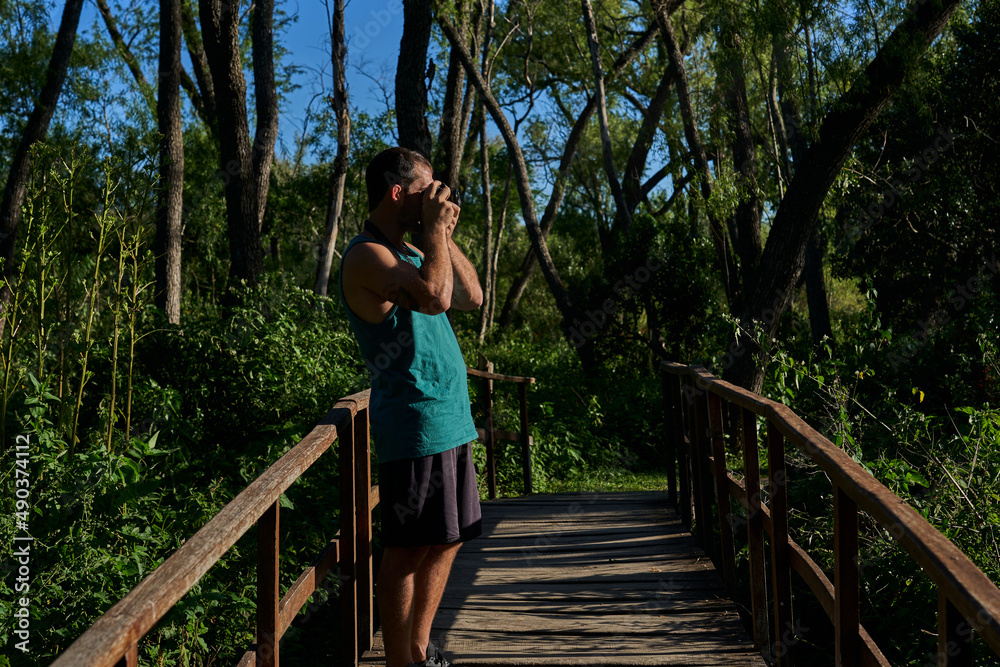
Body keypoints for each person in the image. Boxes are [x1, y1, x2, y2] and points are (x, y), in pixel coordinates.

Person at [338, 146, 484, 667]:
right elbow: (434, 299)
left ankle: (420, 648)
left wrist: (440, 231)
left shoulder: (417, 250)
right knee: (405, 548)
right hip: (415, 421)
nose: (435, 199)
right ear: (398, 194)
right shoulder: (368, 256)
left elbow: (470, 296)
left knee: (450, 538)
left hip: (450, 419)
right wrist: (433, 231)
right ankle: (400, 661)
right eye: (425, 191)